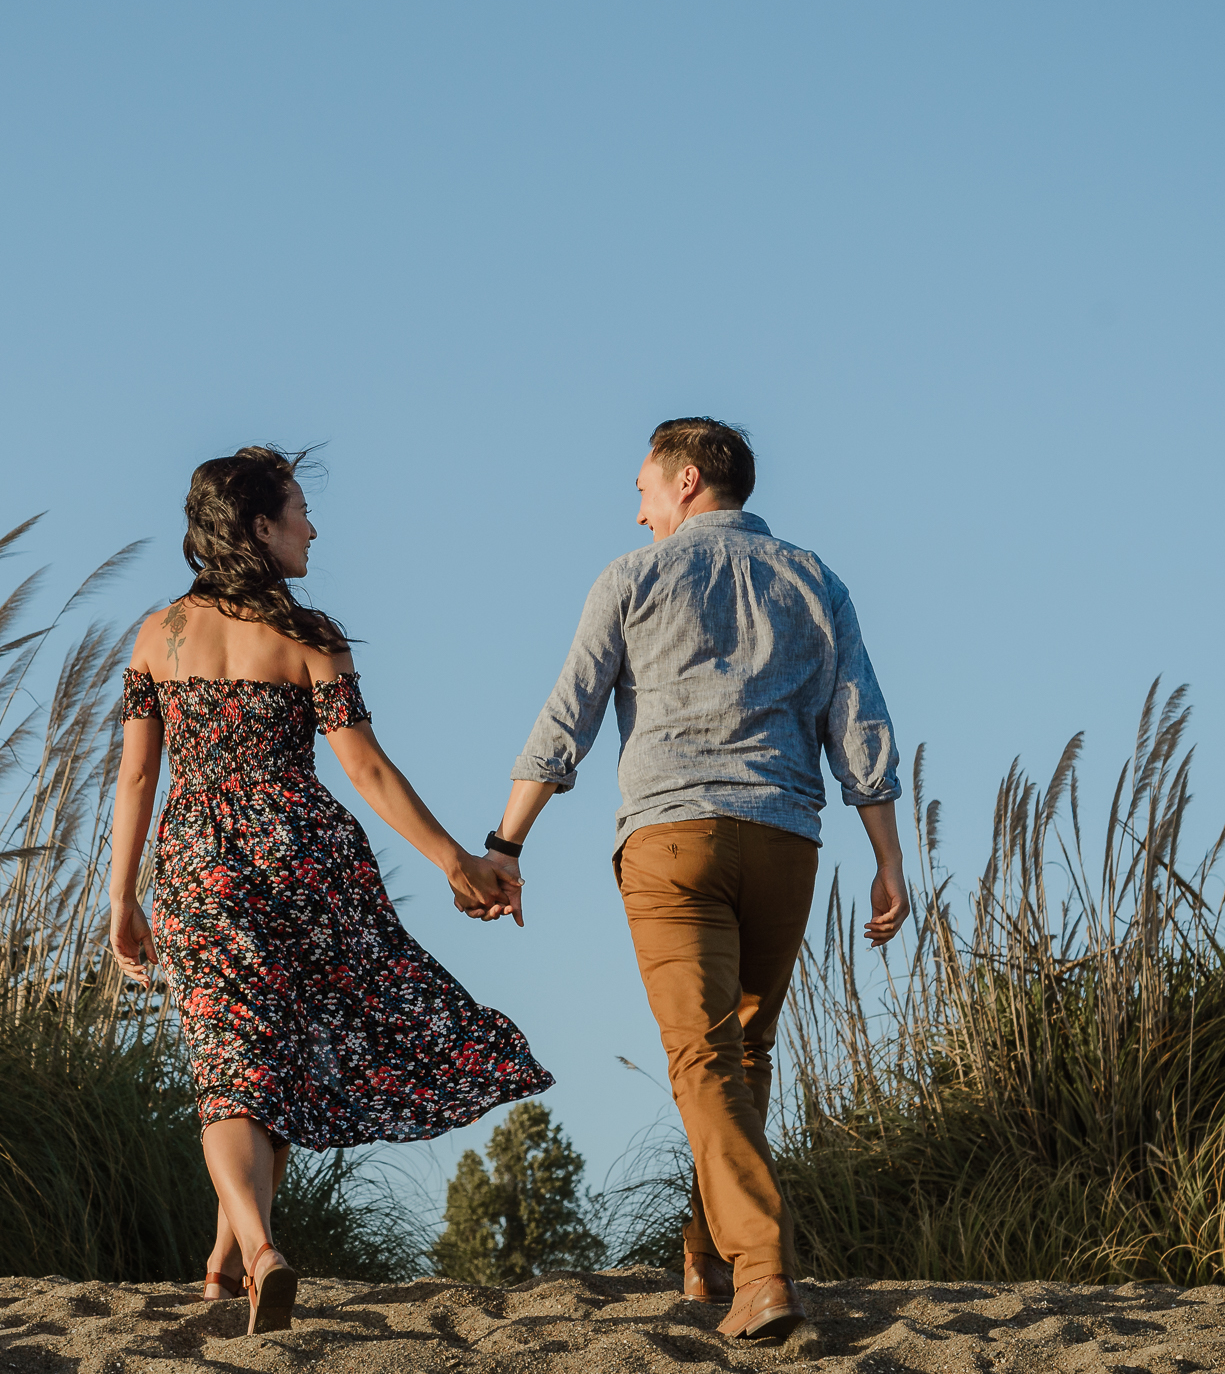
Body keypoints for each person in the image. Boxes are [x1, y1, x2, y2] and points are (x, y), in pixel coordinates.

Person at [485, 418, 910, 1344]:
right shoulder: (816, 578)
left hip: (674, 840)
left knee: (703, 1056)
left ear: (685, 481)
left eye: (643, 488)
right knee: (742, 1053)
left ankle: (761, 1269)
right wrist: (888, 855)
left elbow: (569, 718)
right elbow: (861, 720)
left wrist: (506, 842)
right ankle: (709, 1256)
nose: (635, 509)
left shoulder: (632, 578)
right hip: (786, 839)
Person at [109, 446, 549, 1336]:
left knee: (235, 1062)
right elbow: (369, 771)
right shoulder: (311, 637)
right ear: (261, 528)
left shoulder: (156, 635)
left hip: (201, 861)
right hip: (307, 862)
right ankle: (234, 1255)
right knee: (289, 1051)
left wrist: (123, 897)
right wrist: (456, 862)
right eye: (301, 510)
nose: (314, 526)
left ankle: (250, 1252)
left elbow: (136, 778)